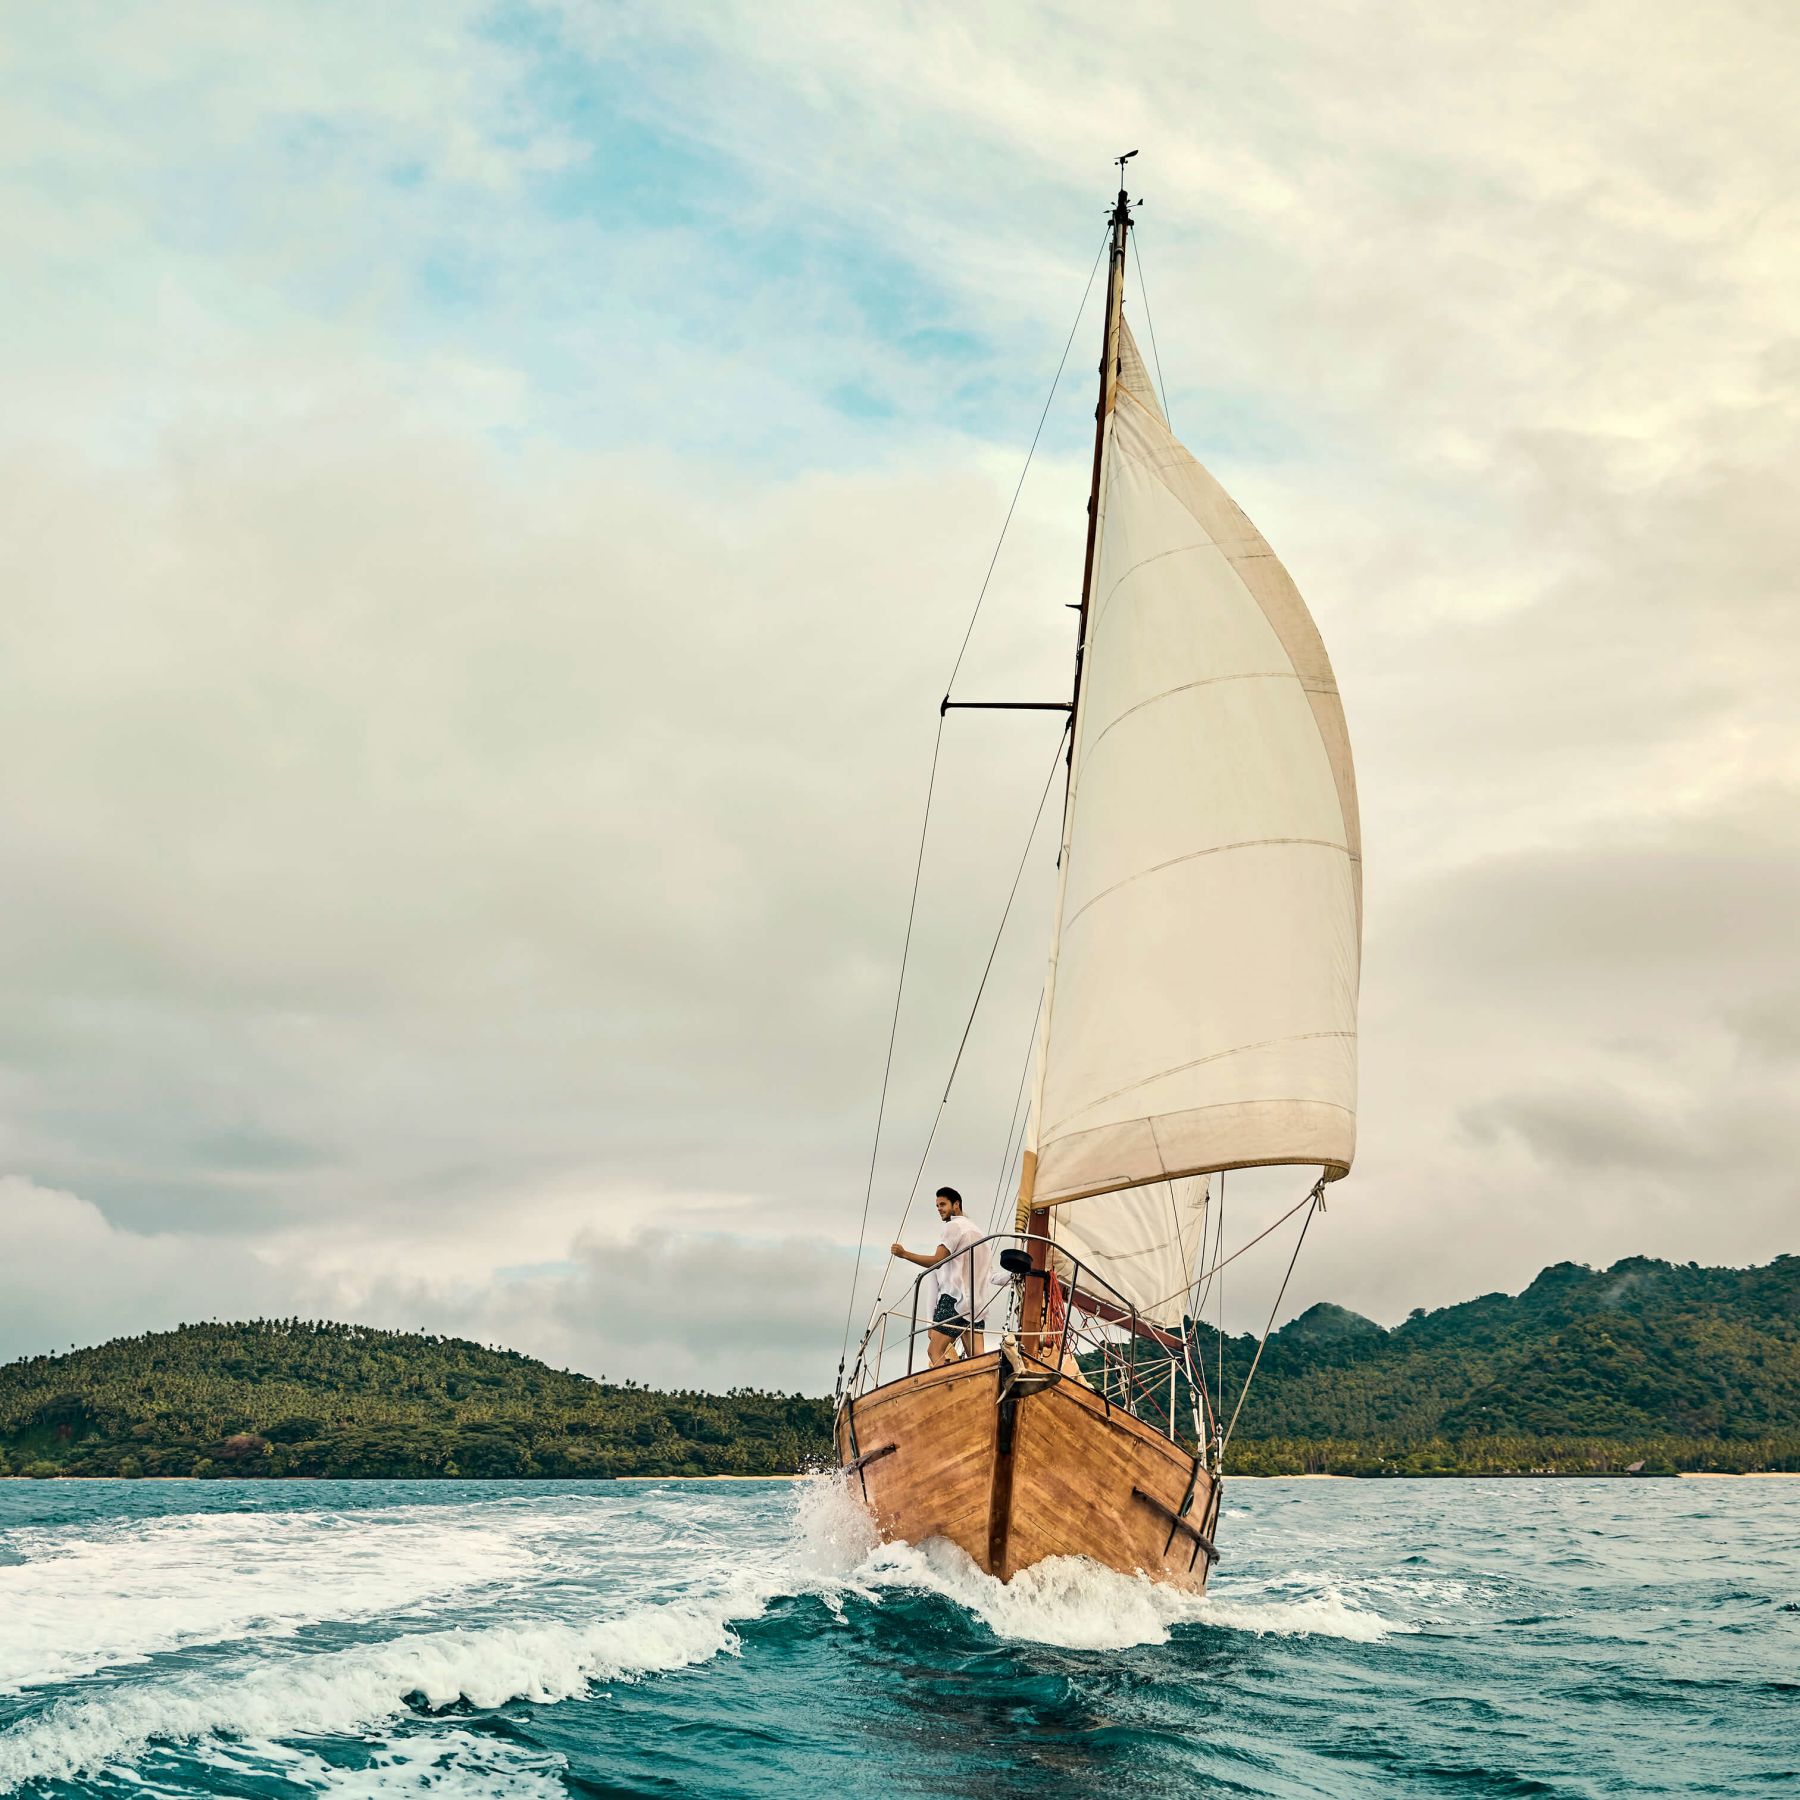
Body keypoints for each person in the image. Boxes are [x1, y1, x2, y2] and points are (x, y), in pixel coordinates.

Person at [891, 1187, 985, 1366]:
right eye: (937, 1206)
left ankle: (951, 1383)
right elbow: (987, 1271)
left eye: (943, 1204)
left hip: (953, 1299)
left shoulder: (953, 1226)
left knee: (934, 1351)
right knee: (978, 1358)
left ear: (956, 1204)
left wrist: (904, 1254)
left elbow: (937, 1261)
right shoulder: (977, 1231)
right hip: (976, 1302)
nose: (939, 1209)